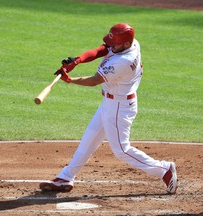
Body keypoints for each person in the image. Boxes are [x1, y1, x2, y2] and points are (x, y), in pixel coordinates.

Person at [39, 23, 178, 194]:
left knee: (121, 149)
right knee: (89, 139)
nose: (111, 45)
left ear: (125, 44)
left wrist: (70, 79)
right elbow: (101, 50)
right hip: (110, 102)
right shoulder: (131, 44)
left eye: (115, 43)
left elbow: (94, 80)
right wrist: (77, 60)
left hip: (120, 108)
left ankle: (164, 170)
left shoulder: (123, 61)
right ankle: (66, 177)